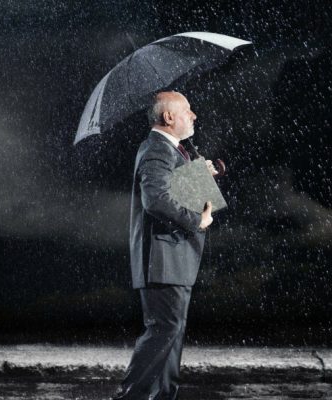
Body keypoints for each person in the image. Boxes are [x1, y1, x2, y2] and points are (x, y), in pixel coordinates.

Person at [112, 91, 217, 400]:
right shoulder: (157, 149)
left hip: (174, 260)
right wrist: (197, 221)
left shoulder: (172, 151)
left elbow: (172, 192)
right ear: (169, 117)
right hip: (162, 260)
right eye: (187, 110)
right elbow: (156, 200)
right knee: (163, 330)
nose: (193, 115)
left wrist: (199, 176)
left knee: (171, 332)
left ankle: (163, 396)